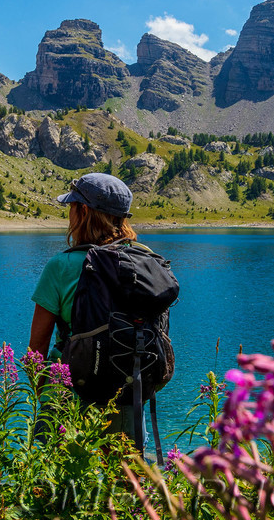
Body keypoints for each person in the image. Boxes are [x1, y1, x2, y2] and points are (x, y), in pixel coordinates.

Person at [29, 172, 175, 451]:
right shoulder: (144, 264)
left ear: (83, 211)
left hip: (67, 395)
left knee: (58, 476)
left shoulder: (60, 266)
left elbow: (37, 347)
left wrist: (42, 394)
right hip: (127, 394)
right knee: (124, 475)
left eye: (72, 206)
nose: (69, 214)